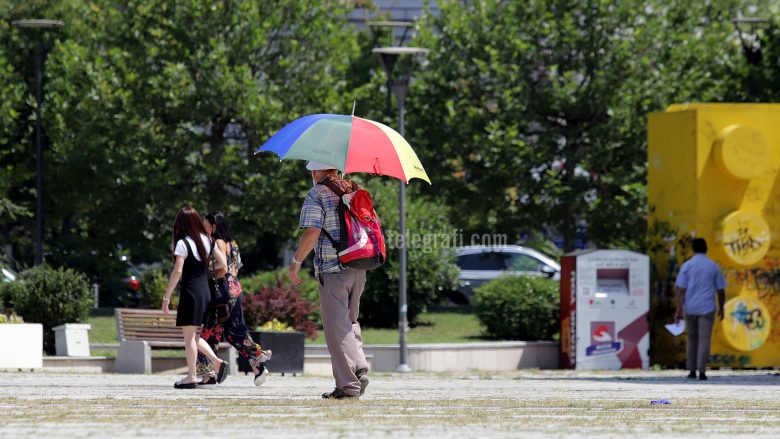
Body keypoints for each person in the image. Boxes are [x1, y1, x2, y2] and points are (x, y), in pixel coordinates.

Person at [288, 161, 369, 399]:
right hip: (359, 266)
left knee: (337, 328)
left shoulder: (316, 194)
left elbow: (312, 231)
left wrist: (297, 260)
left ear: (316, 171)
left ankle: (348, 386)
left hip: (333, 269)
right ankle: (359, 368)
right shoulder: (353, 187)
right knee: (350, 321)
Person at [196, 211, 272, 386]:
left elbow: (222, 267)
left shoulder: (218, 242)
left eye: (205, 224)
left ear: (213, 226)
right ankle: (257, 359)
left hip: (221, 289)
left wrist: (204, 269)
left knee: (208, 332)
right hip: (234, 287)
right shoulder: (233, 244)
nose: (203, 227)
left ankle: (209, 374)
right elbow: (236, 267)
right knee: (231, 331)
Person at [162, 206, 229, 389]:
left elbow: (177, 271)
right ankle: (216, 363)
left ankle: (192, 376)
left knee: (189, 338)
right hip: (205, 293)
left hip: (190, 292)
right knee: (195, 336)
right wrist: (205, 270)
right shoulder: (208, 240)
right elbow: (223, 263)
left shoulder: (183, 243)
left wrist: (166, 297)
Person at [674, 237, 726, 381]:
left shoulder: (687, 266)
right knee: (704, 339)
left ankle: (691, 370)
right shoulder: (713, 266)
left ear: (693, 249)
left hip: (690, 307)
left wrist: (678, 310)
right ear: (706, 248)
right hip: (707, 308)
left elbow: (681, 290)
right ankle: (702, 371)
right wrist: (722, 307)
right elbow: (720, 290)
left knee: (691, 338)